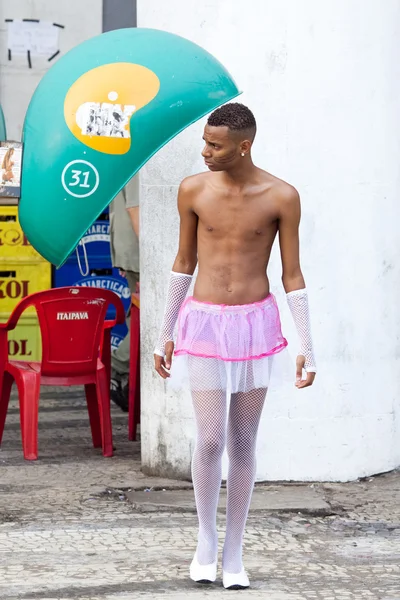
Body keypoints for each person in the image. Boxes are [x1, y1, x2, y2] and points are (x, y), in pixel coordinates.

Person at [154, 103, 316, 590]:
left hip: (255, 328)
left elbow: (291, 274)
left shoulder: (282, 196)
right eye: (204, 142)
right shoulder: (193, 190)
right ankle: (205, 539)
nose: (205, 152)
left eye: (215, 145)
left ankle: (234, 550)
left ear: (244, 145)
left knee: (243, 440)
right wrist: (166, 329)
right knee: (209, 439)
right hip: (203, 325)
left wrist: (307, 343)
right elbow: (183, 261)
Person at [110, 175, 140, 411]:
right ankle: (117, 366)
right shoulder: (144, 158)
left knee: (138, 314)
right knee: (152, 317)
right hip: (139, 251)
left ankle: (126, 381)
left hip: (128, 247)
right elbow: (135, 207)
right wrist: (152, 251)